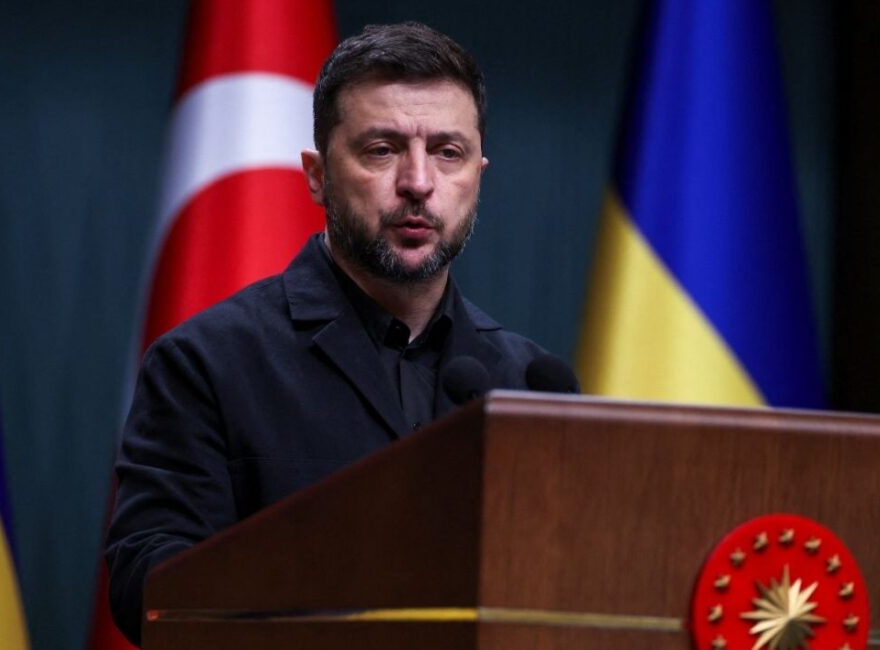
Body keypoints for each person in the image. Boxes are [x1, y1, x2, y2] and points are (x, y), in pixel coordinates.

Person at [105, 21, 555, 644]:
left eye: (447, 152)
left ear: (478, 174)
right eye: (382, 150)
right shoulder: (207, 362)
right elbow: (149, 587)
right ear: (317, 175)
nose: (418, 182)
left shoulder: (526, 381)